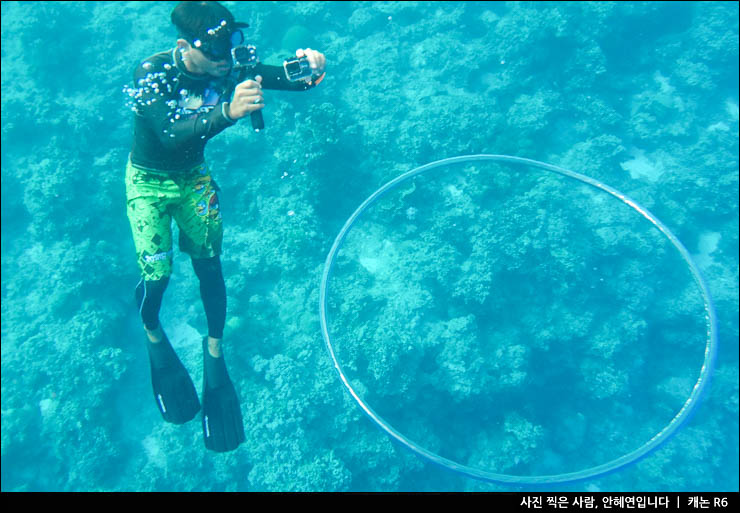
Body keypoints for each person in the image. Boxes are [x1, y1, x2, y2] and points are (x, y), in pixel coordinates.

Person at [123, 1, 326, 452]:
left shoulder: (227, 65)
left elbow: (288, 79)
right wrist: (229, 112)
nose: (223, 61)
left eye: (229, 48)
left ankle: (214, 350)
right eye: (214, 52)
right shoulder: (152, 73)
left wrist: (312, 68)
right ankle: (152, 330)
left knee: (210, 266)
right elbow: (171, 132)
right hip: (149, 183)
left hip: (193, 180)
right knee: (157, 275)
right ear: (184, 46)